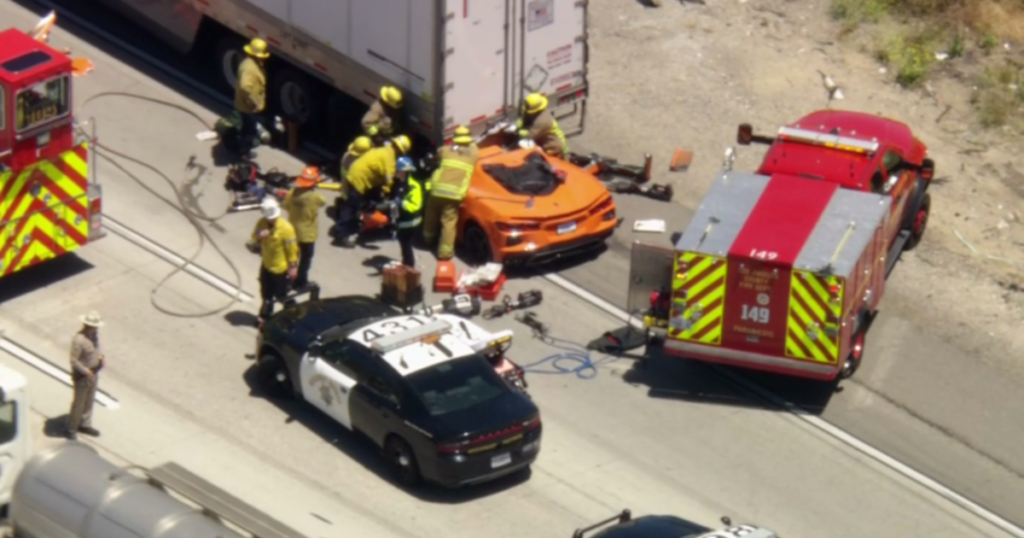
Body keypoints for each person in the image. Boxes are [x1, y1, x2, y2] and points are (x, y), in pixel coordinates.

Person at [335, 134, 412, 248]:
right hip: (359, 179)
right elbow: (388, 177)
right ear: (399, 149)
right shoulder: (389, 157)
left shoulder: (385, 150)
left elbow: (380, 173)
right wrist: (388, 190)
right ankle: (341, 236)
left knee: (356, 203)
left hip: (357, 174)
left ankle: (354, 222)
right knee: (351, 207)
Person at [423, 125, 478, 260]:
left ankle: (427, 240)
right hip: (453, 194)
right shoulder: (474, 153)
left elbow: (435, 157)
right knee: (448, 223)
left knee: (431, 215)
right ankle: (444, 253)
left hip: (436, 190)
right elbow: (474, 146)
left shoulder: (445, 150)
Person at [251, 197, 298, 326]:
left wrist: (293, 266)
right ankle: (264, 317)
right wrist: (260, 236)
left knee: (281, 295)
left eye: (272, 217)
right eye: (268, 217)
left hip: (279, 268)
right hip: (266, 264)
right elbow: (253, 236)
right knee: (266, 293)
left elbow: (292, 249)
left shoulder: (286, 228)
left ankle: (293, 313)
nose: (270, 219)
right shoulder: (261, 223)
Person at [283, 166, 327, 290]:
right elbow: (323, 202)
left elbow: (285, 205)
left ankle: (285, 279)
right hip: (307, 233)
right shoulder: (315, 196)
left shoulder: (293, 192)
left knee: (291, 256)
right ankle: (300, 281)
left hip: (291, 229)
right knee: (306, 258)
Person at [66, 311, 105, 440]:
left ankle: (85, 424)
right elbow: (73, 360)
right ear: (88, 326)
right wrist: (85, 371)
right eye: (94, 326)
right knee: (79, 403)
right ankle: (72, 428)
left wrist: (100, 358)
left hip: (94, 372)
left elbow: (96, 349)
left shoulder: (94, 336)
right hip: (83, 376)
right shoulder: (79, 340)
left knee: (89, 401)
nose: (96, 329)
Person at [233, 37, 270, 158]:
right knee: (250, 131)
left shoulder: (251, 64)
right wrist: (256, 102)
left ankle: (242, 147)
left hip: (246, 105)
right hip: (247, 106)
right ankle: (243, 153)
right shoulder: (249, 68)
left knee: (247, 128)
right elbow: (245, 88)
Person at [394, 156, 426, 268]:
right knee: (403, 243)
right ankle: (406, 263)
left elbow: (414, 206)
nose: (396, 172)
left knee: (406, 244)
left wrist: (402, 203)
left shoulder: (413, 186)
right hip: (403, 220)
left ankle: (409, 266)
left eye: (398, 170)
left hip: (411, 222)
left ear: (404, 171)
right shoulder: (400, 182)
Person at [516, 92, 568, 158]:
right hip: (543, 141)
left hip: (552, 147)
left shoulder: (542, 121)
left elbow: (529, 135)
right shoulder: (534, 112)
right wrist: (519, 123)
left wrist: (517, 130)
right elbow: (524, 118)